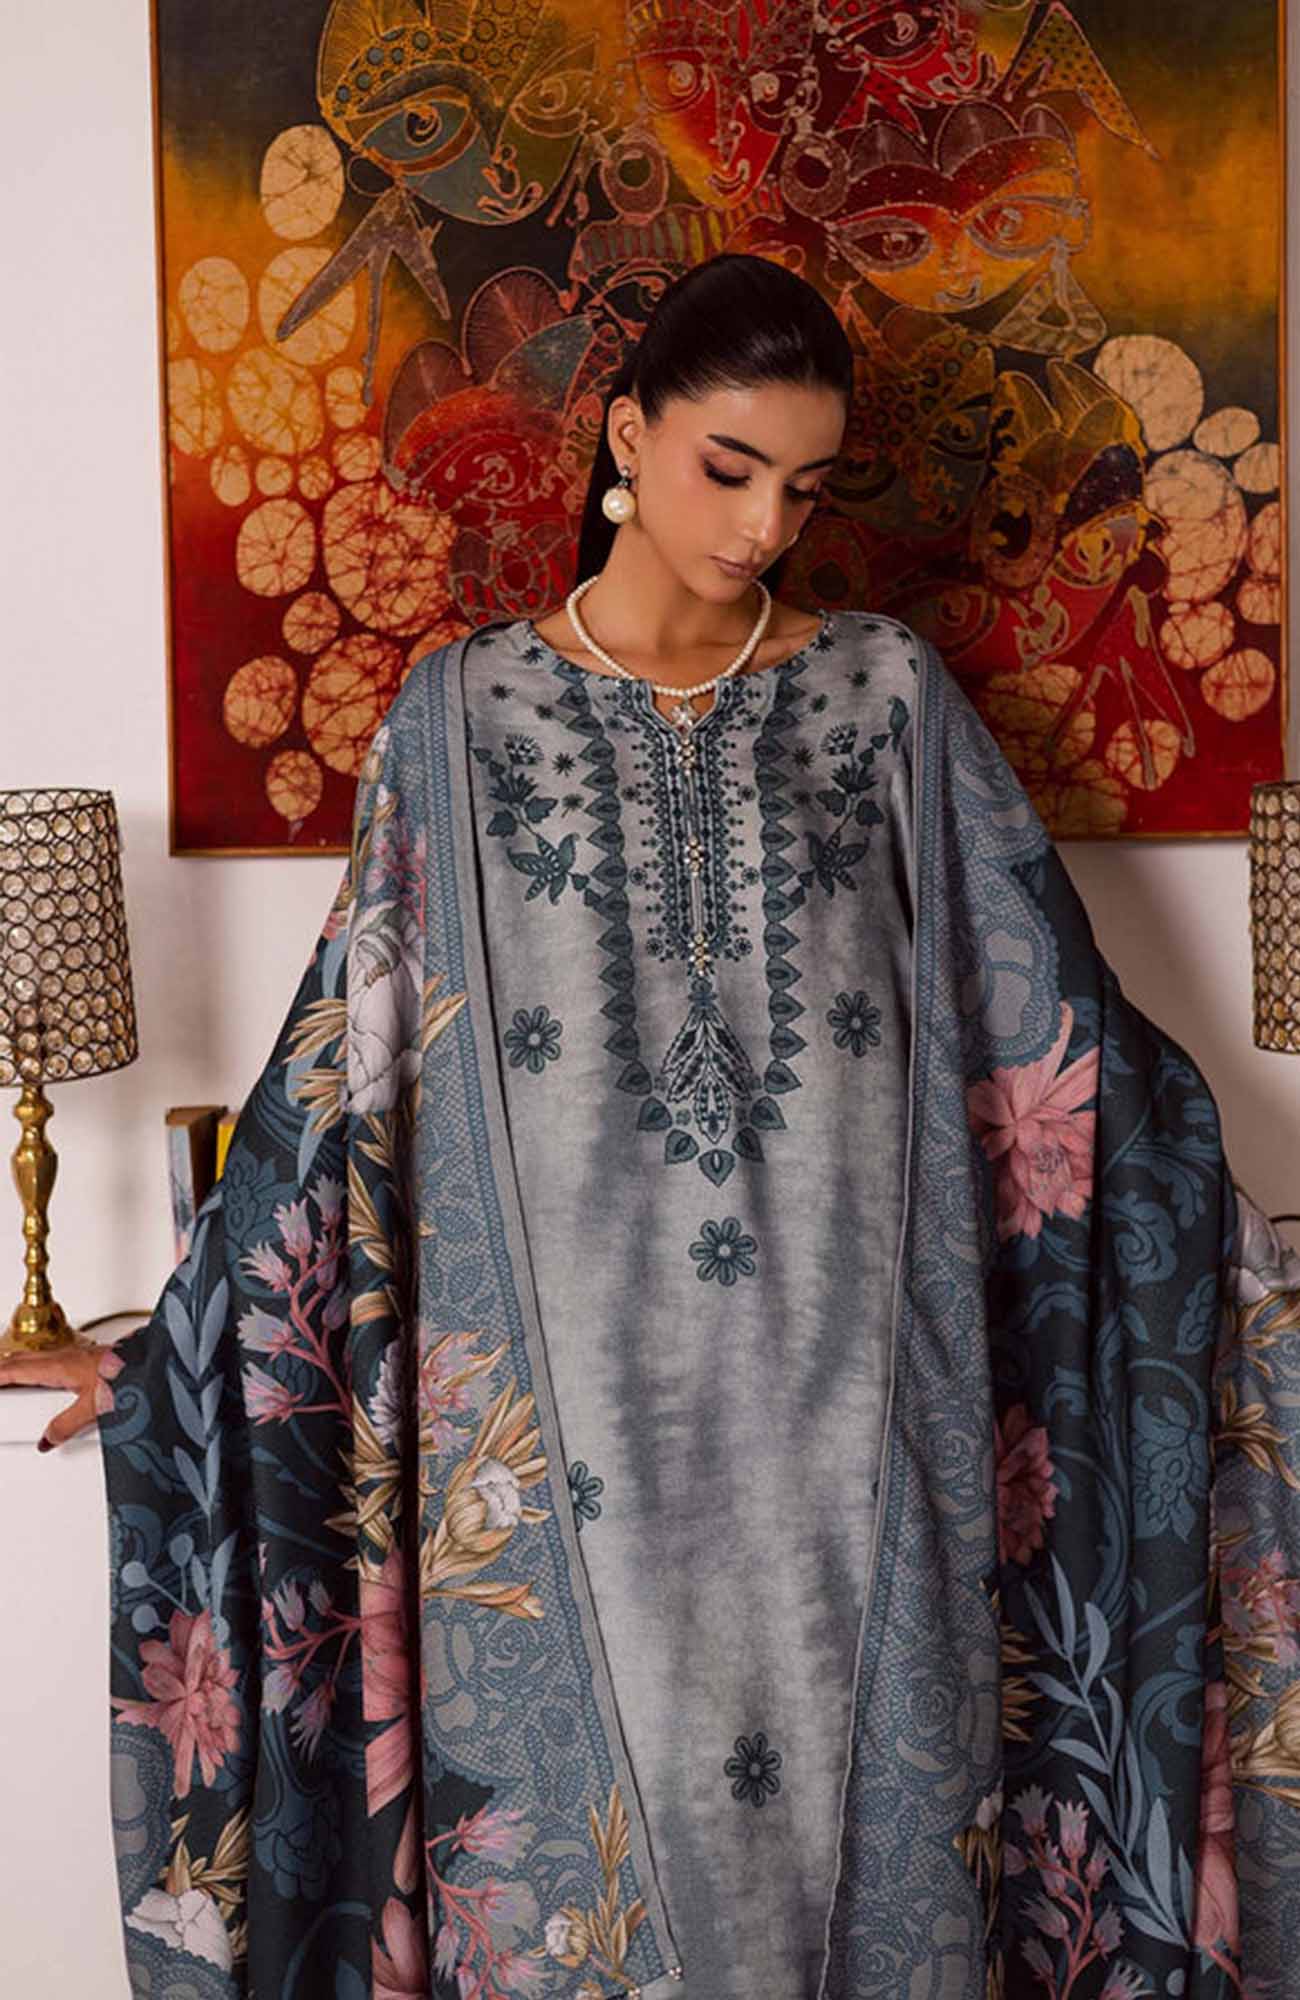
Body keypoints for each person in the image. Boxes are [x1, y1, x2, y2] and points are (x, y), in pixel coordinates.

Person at [1, 252, 1296, 2000]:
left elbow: (1061, 1036)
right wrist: (171, 1353)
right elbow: (342, 1081)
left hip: (862, 1439)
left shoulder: (888, 699)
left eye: (806, 489)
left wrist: (1248, 1280)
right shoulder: (457, 721)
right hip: (553, 1475)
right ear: (627, 435)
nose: (765, 525)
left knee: (897, 1883)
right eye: (729, 468)